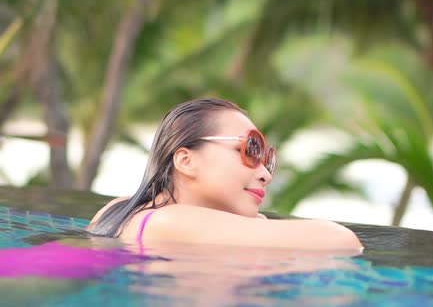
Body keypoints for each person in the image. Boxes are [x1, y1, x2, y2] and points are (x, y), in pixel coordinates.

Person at [86, 98, 363, 251]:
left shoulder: (120, 208)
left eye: (267, 159)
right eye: (249, 149)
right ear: (186, 160)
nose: (265, 173)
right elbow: (340, 240)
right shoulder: (169, 221)